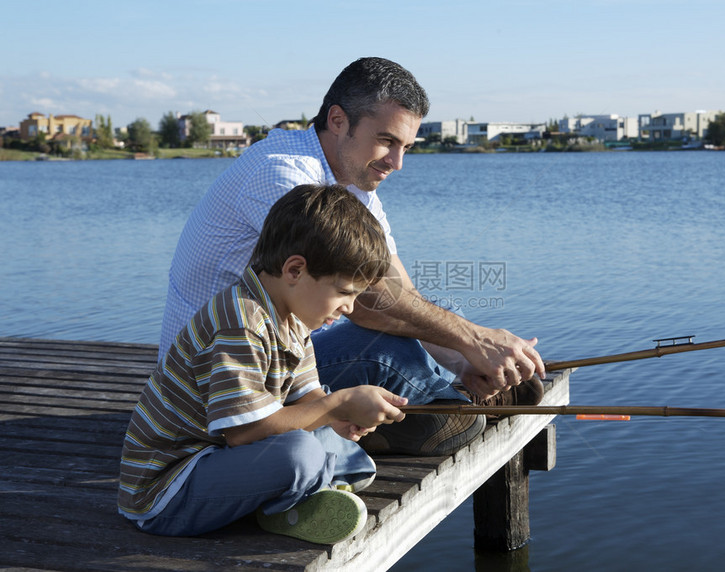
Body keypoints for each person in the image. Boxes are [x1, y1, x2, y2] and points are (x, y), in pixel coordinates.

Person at [158, 57, 545, 457]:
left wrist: (463, 356)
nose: (397, 163)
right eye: (387, 141)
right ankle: (437, 407)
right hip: (218, 374)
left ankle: (443, 395)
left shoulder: (354, 182)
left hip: (288, 352)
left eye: (407, 147)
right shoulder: (282, 175)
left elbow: (399, 293)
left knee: (426, 321)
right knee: (386, 347)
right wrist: (474, 340)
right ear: (339, 120)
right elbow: (367, 303)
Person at [119, 184, 408, 542]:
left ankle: (304, 485)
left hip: (222, 458)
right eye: (345, 292)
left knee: (344, 451)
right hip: (168, 492)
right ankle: (285, 505)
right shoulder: (240, 320)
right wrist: (339, 404)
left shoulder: (294, 318)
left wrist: (344, 417)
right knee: (300, 456)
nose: (349, 308)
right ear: (295, 270)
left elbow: (309, 398)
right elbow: (244, 433)